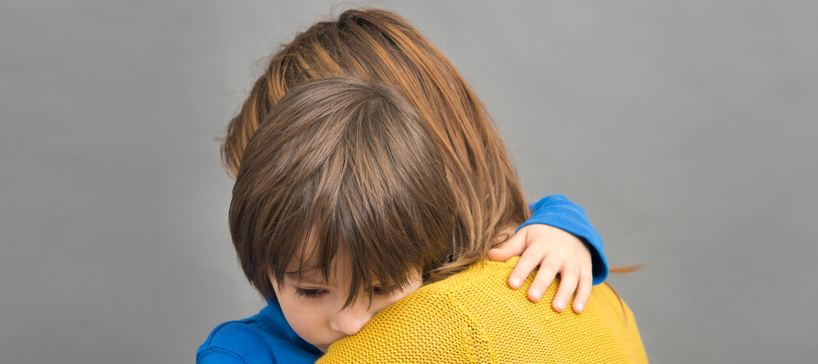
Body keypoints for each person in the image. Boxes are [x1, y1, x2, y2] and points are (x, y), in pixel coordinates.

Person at [205, 78, 645, 364]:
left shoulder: (432, 261)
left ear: (426, 252)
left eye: (380, 288)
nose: (350, 321)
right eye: (312, 290)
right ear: (264, 271)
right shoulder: (239, 353)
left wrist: (563, 233)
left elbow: (537, 216)